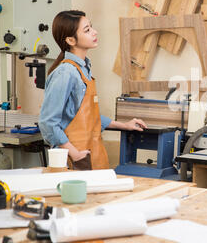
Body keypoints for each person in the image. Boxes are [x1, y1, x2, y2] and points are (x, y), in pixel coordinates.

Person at [39, 10, 147, 170]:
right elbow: (48, 122)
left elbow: (88, 117)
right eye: (87, 30)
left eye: (91, 27)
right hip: (73, 159)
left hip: (91, 152)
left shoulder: (84, 69)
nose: (94, 32)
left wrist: (124, 125)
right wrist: (75, 155)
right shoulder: (65, 73)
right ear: (70, 40)